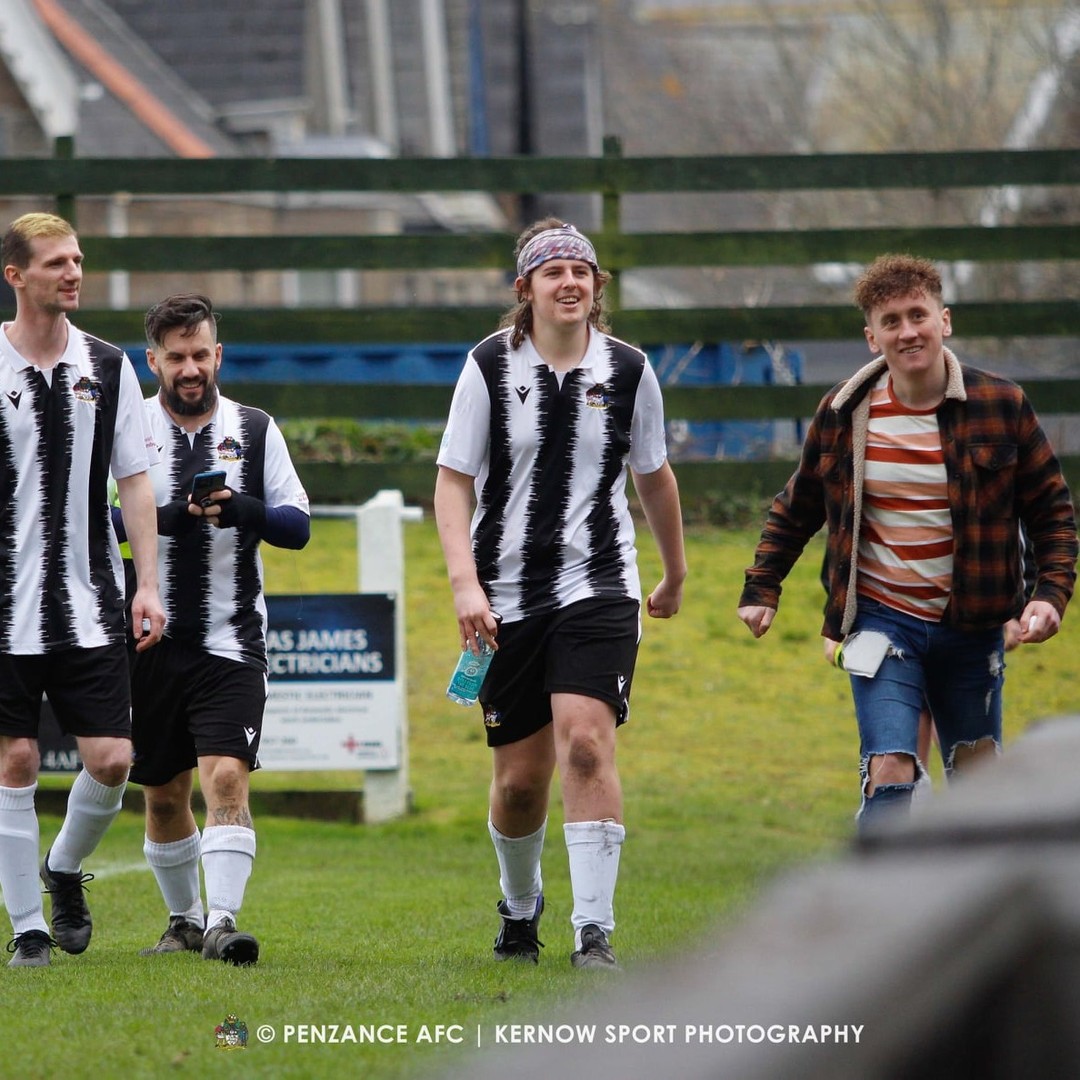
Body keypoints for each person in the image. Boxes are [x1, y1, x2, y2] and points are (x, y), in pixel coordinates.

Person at [737, 254, 1077, 833]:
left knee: (977, 779)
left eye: (917, 315)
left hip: (973, 624)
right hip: (881, 622)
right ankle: (877, 902)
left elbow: (1052, 511)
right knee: (890, 764)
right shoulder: (844, 415)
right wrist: (762, 586)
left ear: (944, 321)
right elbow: (798, 507)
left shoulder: (1003, 405)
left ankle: (974, 911)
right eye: (890, 321)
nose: (907, 331)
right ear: (872, 338)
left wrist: (1049, 593)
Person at [434, 219, 686, 969]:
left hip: (599, 581)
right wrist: (463, 585)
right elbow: (452, 481)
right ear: (526, 289)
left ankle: (593, 932)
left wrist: (675, 571)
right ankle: (519, 909)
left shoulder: (632, 370)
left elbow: (654, 475)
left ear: (597, 288)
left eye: (583, 271)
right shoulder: (487, 366)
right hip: (504, 593)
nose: (570, 282)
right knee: (518, 783)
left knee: (585, 740)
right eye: (554, 272)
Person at [121, 293, 310, 965]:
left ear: (218, 355)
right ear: (153, 361)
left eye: (201, 354)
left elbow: (298, 526)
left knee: (225, 775)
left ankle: (223, 921)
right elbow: (90, 523)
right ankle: (183, 920)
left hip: (232, 639)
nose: (190, 368)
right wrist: (164, 518)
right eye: (176, 358)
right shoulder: (127, 427)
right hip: (145, 638)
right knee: (164, 792)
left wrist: (243, 509)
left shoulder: (255, 429)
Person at [0, 212, 165, 968]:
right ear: (16, 276)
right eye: (57, 262)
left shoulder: (109, 366)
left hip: (91, 598)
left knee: (110, 759)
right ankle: (29, 927)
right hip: (5, 608)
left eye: (78, 259)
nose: (73, 272)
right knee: (17, 762)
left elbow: (134, 477)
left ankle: (64, 869)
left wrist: (147, 582)